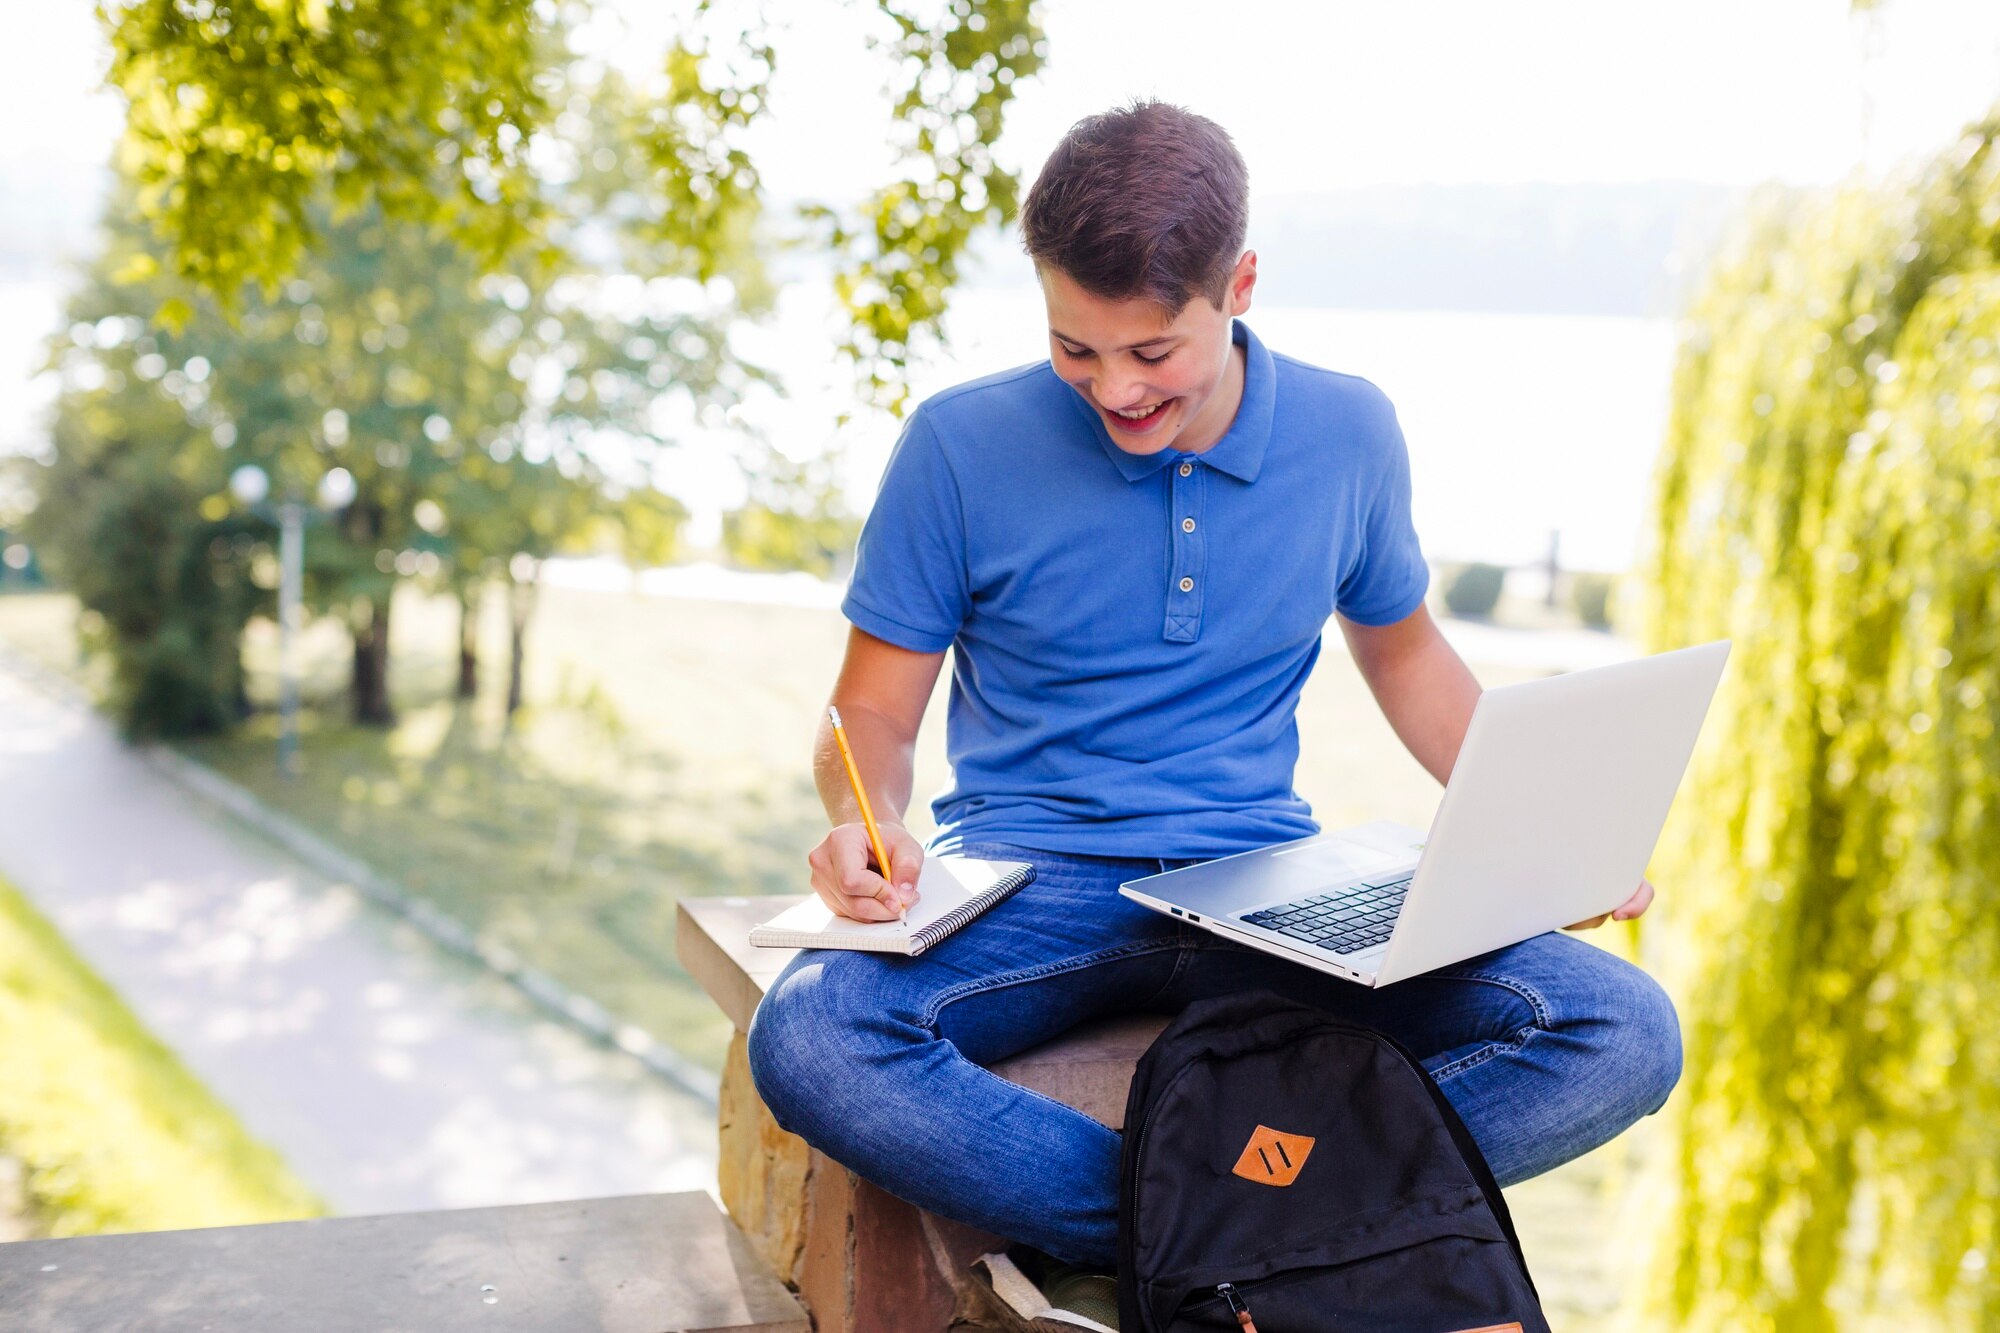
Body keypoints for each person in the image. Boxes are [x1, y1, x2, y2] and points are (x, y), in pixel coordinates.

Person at [747, 101, 1678, 1275]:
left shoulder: (1349, 432)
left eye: (1150, 352)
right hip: (1030, 880)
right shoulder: (956, 444)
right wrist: (862, 823)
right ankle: (1246, 1235)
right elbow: (870, 714)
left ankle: (1188, 1240)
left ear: (1236, 285)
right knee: (814, 1035)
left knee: (1617, 1028)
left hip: (1267, 882)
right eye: (1072, 348)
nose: (1112, 389)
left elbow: (1403, 654)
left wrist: (1542, 837)